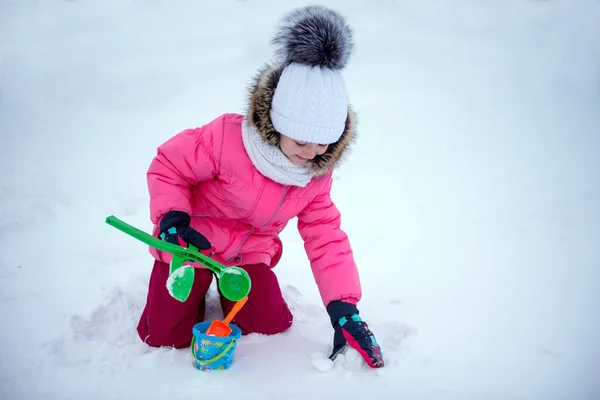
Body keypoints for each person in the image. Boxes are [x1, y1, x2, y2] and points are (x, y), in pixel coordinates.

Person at [136, 5, 384, 368]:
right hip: (189, 244)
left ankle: (225, 287)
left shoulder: (315, 174)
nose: (312, 152)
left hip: (246, 255)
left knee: (271, 325)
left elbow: (325, 234)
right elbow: (168, 167)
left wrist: (344, 307)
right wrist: (172, 219)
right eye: (301, 140)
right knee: (164, 337)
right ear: (278, 119)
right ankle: (191, 287)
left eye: (324, 143)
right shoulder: (227, 138)